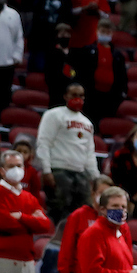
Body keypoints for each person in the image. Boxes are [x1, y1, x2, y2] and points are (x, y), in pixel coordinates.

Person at [37, 83, 99, 219]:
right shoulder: (53, 115)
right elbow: (43, 142)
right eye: (74, 95)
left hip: (81, 173)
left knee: (83, 212)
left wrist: (95, 177)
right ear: (66, 96)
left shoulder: (87, 123)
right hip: (58, 170)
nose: (78, 98)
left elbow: (90, 152)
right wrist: (47, 171)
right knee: (59, 212)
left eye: (81, 96)